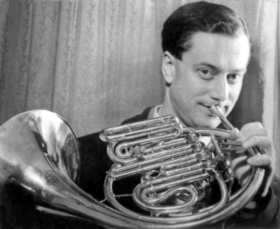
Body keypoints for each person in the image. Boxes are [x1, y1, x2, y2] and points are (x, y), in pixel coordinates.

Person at [1, 1, 279, 229]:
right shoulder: (86, 161)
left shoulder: (250, 170)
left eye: (233, 76)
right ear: (169, 67)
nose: (222, 93)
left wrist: (259, 198)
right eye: (206, 72)